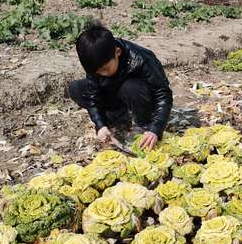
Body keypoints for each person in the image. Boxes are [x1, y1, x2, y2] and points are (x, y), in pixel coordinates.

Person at [69, 21, 173, 150]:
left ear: (117, 52)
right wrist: (100, 125)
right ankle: (117, 117)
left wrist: (156, 128)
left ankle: (143, 125)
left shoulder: (141, 59)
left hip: (141, 98)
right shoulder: (95, 64)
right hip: (114, 94)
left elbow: (163, 94)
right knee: (76, 88)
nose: (103, 74)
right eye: (98, 72)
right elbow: (92, 97)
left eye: (106, 69)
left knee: (130, 87)